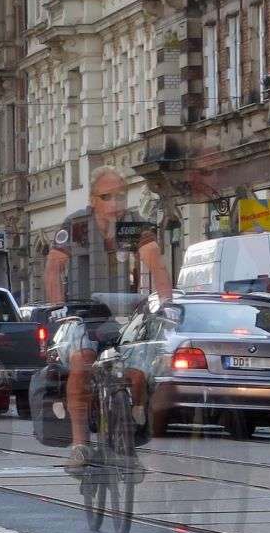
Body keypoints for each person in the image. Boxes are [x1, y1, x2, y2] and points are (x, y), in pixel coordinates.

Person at [42, 166, 172, 473]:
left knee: (138, 372)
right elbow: (53, 267)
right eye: (107, 197)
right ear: (92, 200)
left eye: (120, 195)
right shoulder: (76, 225)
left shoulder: (132, 224)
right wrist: (57, 306)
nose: (115, 203)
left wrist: (166, 302)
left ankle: (134, 415)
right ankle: (79, 445)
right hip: (83, 312)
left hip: (126, 312)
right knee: (81, 364)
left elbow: (155, 261)